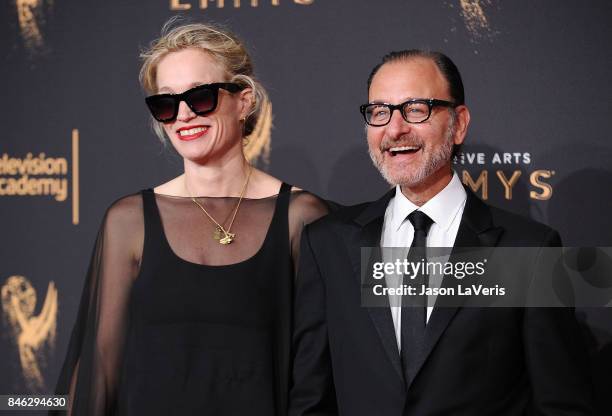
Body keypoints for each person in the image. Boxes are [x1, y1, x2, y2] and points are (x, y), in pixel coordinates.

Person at [289, 50, 593, 415]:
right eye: (379, 112)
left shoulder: (529, 248)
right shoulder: (328, 244)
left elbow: (561, 402)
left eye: (416, 109)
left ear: (459, 123)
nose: (395, 129)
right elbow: (311, 397)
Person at [54, 19, 328, 416]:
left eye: (201, 97)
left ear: (244, 100)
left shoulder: (302, 216)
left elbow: (316, 375)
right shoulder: (129, 220)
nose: (183, 116)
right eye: (166, 103)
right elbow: (99, 370)